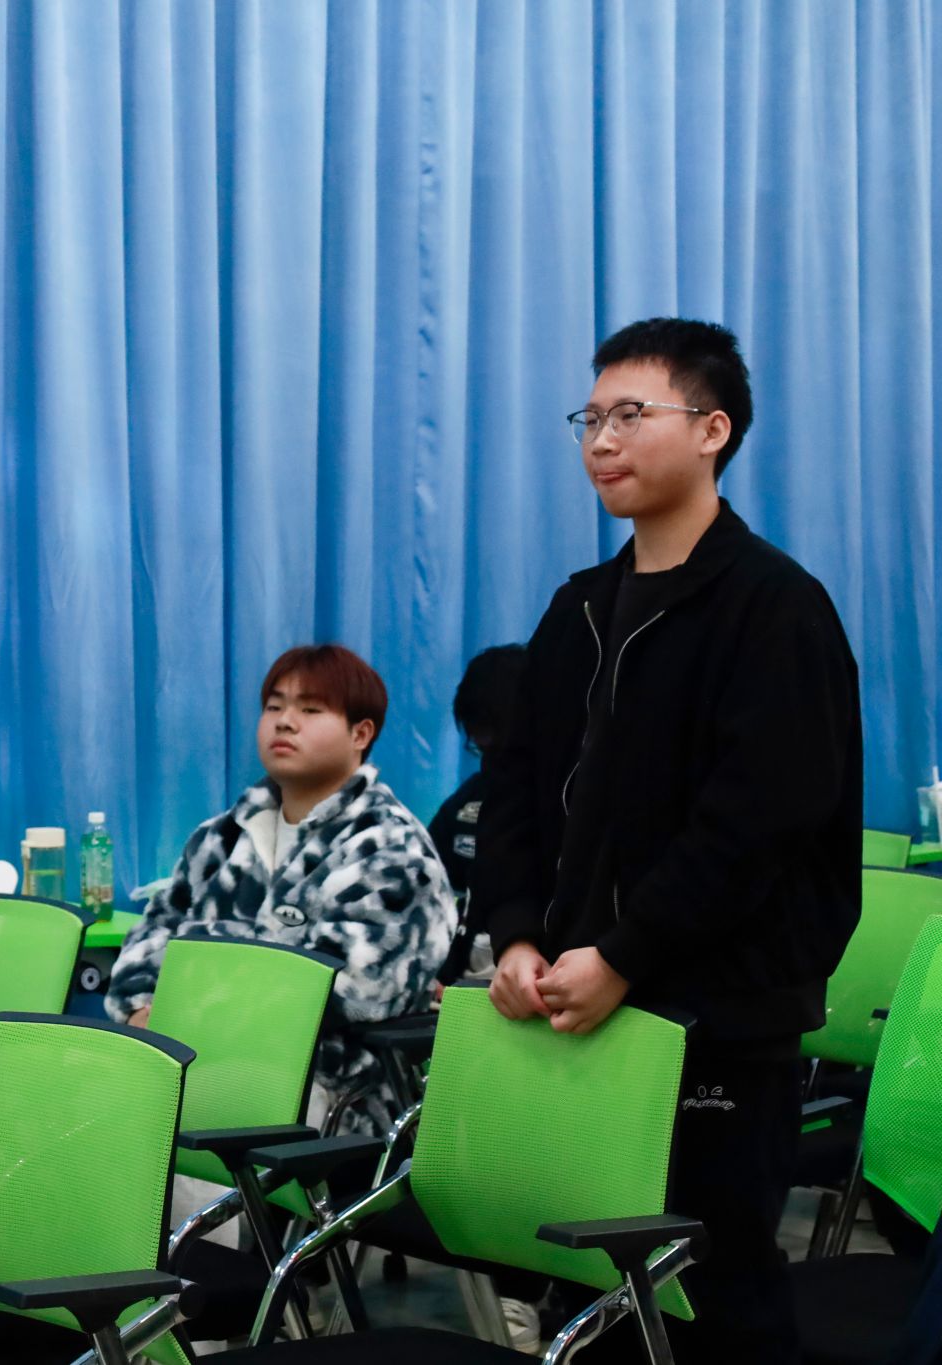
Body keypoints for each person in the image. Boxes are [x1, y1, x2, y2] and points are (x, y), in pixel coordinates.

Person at [473, 318, 860, 1363]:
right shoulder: (580, 609)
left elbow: (755, 826)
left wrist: (624, 954)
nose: (601, 440)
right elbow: (512, 791)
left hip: (716, 1019)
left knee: (712, 1292)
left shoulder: (774, 607)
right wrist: (516, 933)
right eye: (589, 419)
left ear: (712, 430)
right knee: (592, 1291)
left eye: (630, 415)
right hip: (577, 1002)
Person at [107, 642, 456, 1133]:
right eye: (274, 706)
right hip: (189, 1065)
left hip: (330, 1096)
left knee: (129, 1122)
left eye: (310, 710)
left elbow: (354, 989)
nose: (285, 722)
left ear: (360, 734)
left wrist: (186, 1018)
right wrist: (142, 1012)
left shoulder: (391, 849)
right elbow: (152, 934)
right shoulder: (221, 838)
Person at [427, 643, 526, 987]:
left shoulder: (567, 805)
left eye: (500, 741)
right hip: (465, 989)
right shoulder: (466, 803)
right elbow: (432, 888)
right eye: (480, 744)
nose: (492, 757)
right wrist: (439, 975)